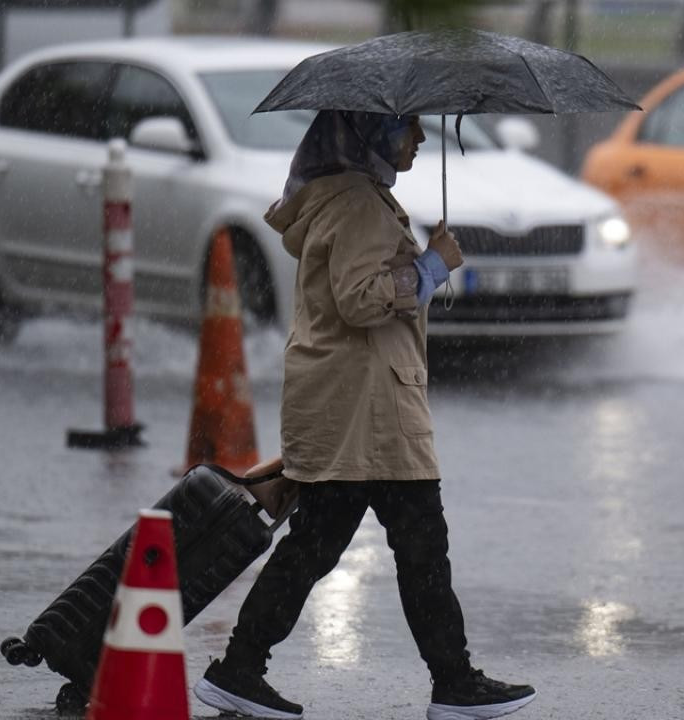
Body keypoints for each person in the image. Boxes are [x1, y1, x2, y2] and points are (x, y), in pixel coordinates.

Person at [192, 110, 537, 720]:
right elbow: (360, 299)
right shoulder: (356, 203)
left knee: (352, 546)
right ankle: (448, 682)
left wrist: (424, 265)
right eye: (408, 127)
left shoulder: (352, 196)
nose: (420, 138)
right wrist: (432, 265)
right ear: (369, 131)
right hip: (367, 410)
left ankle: (244, 668)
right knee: (400, 547)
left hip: (360, 404)